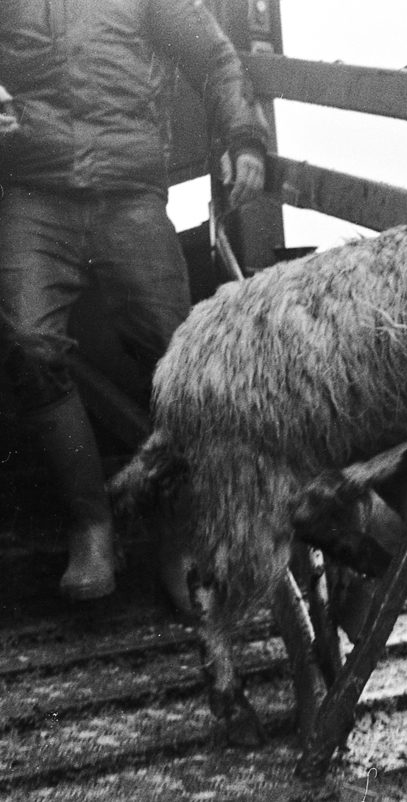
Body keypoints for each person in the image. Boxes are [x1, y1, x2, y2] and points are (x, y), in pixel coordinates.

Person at [0, 0, 268, 601]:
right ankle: (92, 524)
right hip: (32, 190)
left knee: (176, 357)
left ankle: (177, 536)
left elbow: (213, 55)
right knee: (27, 341)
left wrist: (245, 136)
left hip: (130, 192)